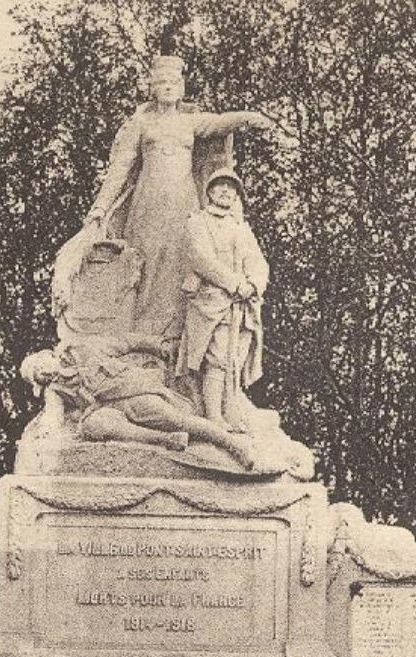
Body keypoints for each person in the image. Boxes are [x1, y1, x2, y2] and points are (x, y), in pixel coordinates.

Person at [57, 56, 271, 340]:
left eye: (173, 83)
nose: (168, 87)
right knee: (146, 264)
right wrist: (100, 207)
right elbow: (120, 169)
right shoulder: (141, 124)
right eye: (161, 83)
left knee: (183, 263)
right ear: (152, 88)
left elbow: (220, 123)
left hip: (184, 202)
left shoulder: (190, 122)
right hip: (148, 202)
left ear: (181, 88)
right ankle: (142, 336)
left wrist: (248, 118)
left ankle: (177, 338)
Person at [21, 335, 256, 468]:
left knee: (178, 420)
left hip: (133, 392)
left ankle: (234, 446)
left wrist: (159, 347)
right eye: (37, 375)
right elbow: (52, 416)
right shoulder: (55, 390)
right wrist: (45, 430)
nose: (42, 372)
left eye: (40, 366)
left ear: (48, 356)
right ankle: (165, 441)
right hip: (107, 408)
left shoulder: (84, 348)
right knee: (93, 426)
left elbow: (127, 342)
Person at [178, 168, 267, 433]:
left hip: (241, 305)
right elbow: (201, 259)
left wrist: (252, 284)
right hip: (211, 302)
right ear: (210, 192)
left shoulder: (241, 227)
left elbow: (257, 261)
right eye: (220, 186)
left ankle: (231, 412)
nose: (226, 191)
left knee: (234, 359)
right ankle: (213, 416)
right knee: (216, 358)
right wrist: (234, 283)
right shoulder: (198, 221)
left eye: (231, 187)